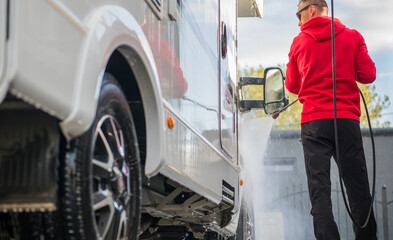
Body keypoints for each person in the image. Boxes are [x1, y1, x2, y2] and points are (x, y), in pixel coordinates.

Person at [285, 0, 378, 239]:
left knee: (320, 193)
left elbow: (293, 85)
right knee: (358, 190)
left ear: (312, 10)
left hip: (314, 124)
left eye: (299, 14)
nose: (298, 21)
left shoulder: (299, 42)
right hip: (346, 122)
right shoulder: (353, 36)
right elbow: (368, 75)